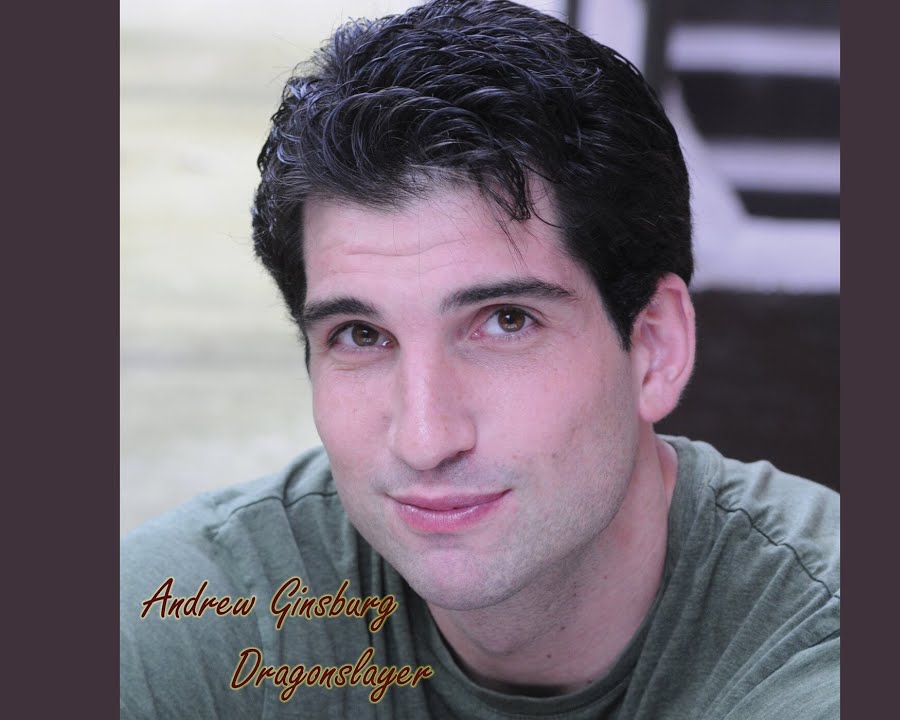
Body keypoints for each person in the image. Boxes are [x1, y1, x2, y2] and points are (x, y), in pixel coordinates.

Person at [119, 1, 840, 717]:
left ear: (654, 346)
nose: (425, 439)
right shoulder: (186, 618)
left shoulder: (823, 644)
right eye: (361, 336)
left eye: (505, 322)